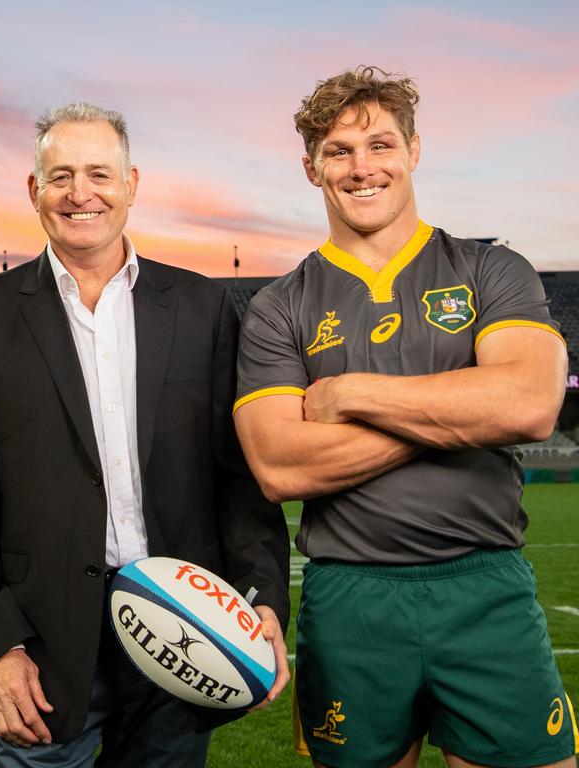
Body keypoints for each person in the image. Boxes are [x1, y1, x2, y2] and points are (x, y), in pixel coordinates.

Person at [233, 66, 577, 768]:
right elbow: (279, 465)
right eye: (339, 152)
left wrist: (353, 394)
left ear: (414, 151)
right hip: (350, 595)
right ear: (311, 169)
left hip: (485, 583)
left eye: (381, 145)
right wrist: (461, 405)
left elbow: (531, 405)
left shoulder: (492, 270)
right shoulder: (278, 307)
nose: (363, 168)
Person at [0, 101, 290, 767]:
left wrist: (262, 599)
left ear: (132, 185)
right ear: (33, 190)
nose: (80, 193)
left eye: (99, 173)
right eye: (60, 175)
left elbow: (239, 477)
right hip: (43, 639)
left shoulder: (202, 308)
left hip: (184, 624)